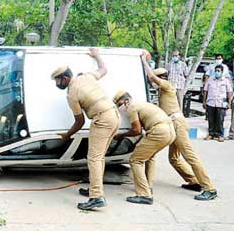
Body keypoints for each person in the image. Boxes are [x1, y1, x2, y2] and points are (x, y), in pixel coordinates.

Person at [141, 54, 217, 201]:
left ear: (161, 78)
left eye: (155, 80)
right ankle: (193, 181)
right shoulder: (162, 91)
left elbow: (151, 77)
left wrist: (144, 60)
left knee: (190, 156)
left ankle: (209, 188)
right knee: (174, 158)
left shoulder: (168, 86)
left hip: (178, 124)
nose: (153, 84)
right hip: (172, 124)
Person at [51, 48, 120, 211]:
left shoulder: (72, 94)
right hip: (114, 115)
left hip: (102, 119)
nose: (57, 84)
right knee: (100, 157)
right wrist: (97, 56)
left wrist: (66, 136)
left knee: (94, 158)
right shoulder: (86, 76)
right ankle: (95, 189)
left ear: (66, 78)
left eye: (58, 81)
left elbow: (80, 121)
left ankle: (96, 197)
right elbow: (104, 69)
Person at [113, 90, 176, 205]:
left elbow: (136, 130)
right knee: (150, 157)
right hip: (170, 131)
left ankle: (144, 195)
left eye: (119, 104)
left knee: (135, 160)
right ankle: (148, 186)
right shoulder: (142, 104)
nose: (119, 107)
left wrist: (121, 135)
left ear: (126, 100)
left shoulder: (131, 107)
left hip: (159, 131)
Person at [203, 64, 232, 141]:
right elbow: (205, 91)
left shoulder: (226, 81)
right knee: (211, 119)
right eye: (216, 71)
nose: (217, 72)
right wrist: (204, 101)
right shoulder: (210, 80)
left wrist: (229, 103)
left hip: (221, 103)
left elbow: (229, 92)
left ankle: (220, 135)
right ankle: (211, 134)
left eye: (218, 71)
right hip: (211, 102)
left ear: (222, 72)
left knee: (220, 120)